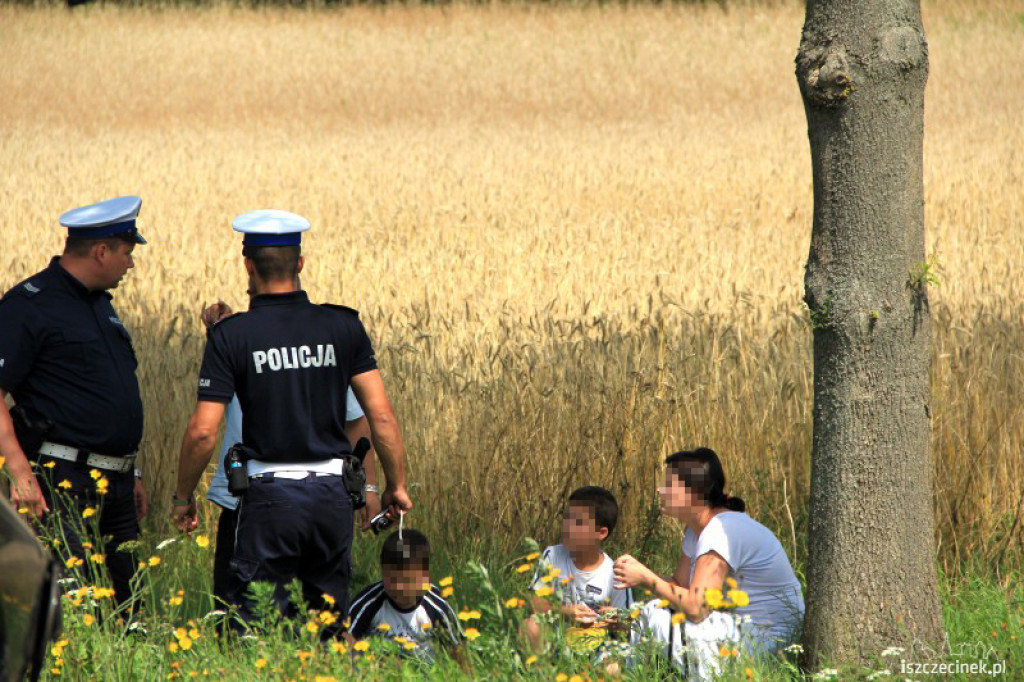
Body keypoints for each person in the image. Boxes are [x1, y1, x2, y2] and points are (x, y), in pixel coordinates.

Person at [170, 209, 411, 628]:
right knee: (330, 629)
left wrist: (182, 496)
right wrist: (396, 486)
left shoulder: (232, 337)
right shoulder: (343, 326)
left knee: (253, 629)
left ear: (248, 265)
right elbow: (382, 417)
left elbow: (202, 433)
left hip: (266, 501)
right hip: (331, 500)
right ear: (300, 264)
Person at [0, 196, 150, 608]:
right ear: (101, 251)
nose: (131, 264)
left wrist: (131, 468)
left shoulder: (101, 305)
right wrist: (20, 475)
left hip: (116, 484)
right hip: (64, 482)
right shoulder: (29, 305)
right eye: (127, 252)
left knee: (128, 606)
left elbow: (108, 395)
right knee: (73, 606)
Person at [199, 302, 383, 607]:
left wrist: (182, 497)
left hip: (255, 497)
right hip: (314, 496)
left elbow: (358, 420)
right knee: (324, 618)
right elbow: (367, 419)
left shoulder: (240, 338)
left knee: (249, 617)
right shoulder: (323, 338)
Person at [612, 448, 804, 678]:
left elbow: (696, 608)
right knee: (652, 610)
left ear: (693, 494)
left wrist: (646, 577)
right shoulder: (697, 531)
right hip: (739, 629)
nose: (659, 489)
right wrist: (635, 580)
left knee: (657, 615)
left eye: (668, 484)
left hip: (768, 640)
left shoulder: (721, 531)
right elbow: (677, 585)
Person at [522, 486, 633, 653]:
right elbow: (533, 602)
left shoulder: (616, 573)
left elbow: (629, 624)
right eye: (566, 518)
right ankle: (540, 672)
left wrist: (616, 620)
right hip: (556, 641)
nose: (567, 527)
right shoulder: (553, 555)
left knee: (613, 668)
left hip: (595, 646)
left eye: (578, 522)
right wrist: (565, 612)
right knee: (530, 625)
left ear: (601, 533)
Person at [348, 529, 463, 662]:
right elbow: (342, 642)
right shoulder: (367, 603)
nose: (399, 587)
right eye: (392, 579)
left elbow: (459, 652)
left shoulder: (437, 607)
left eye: (406, 580)